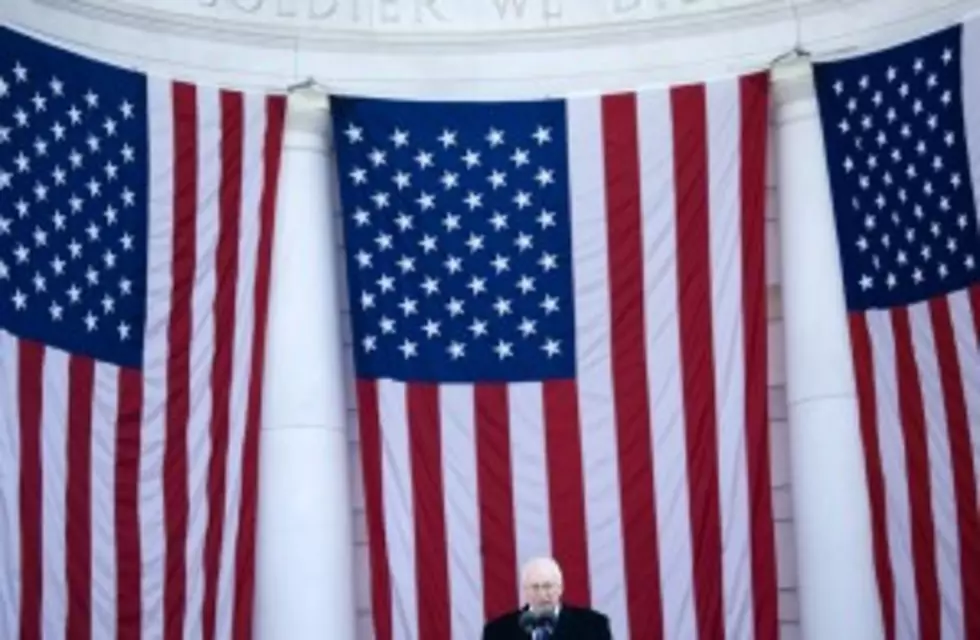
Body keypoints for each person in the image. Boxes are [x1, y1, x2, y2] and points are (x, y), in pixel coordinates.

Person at [481, 557, 612, 639]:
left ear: (560, 588)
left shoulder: (593, 625)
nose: (542, 594)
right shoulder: (498, 631)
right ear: (525, 591)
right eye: (535, 587)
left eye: (548, 586)